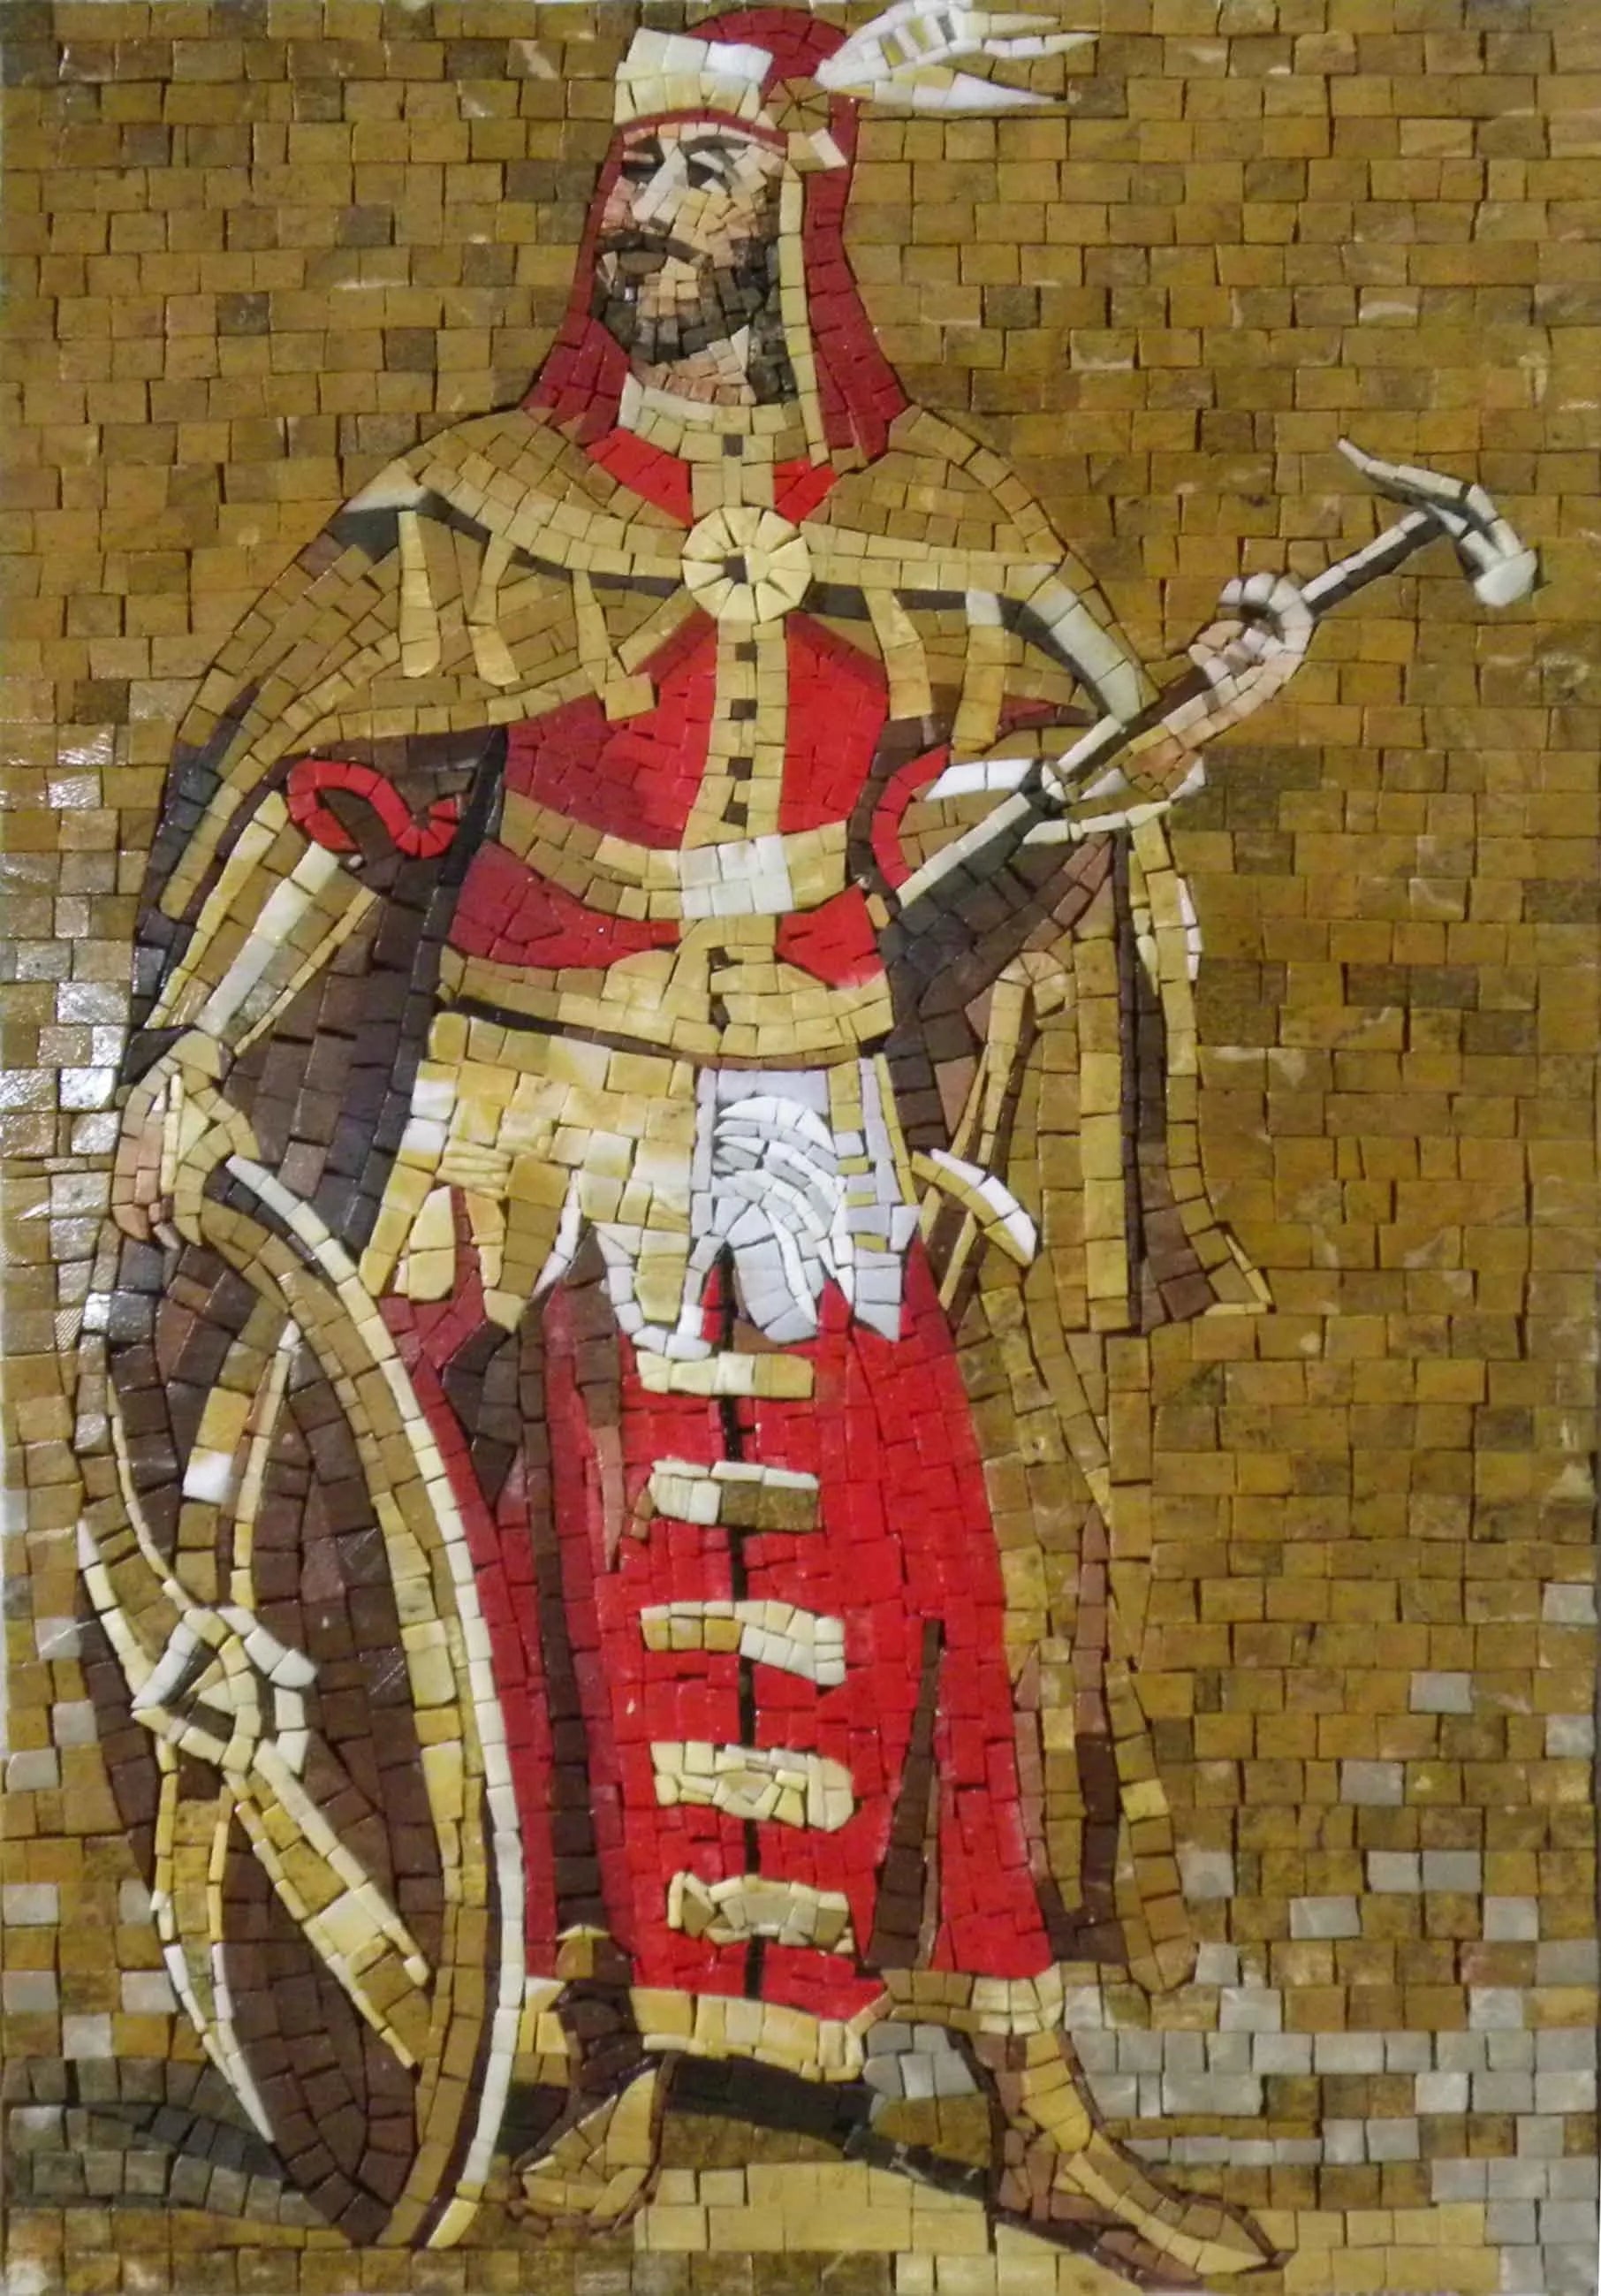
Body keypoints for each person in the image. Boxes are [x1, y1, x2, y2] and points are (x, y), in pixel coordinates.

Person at [78, 9, 1316, 2275]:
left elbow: (983, 836)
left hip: (811, 1122)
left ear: (800, 215)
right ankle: (601, 2069)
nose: (644, 214)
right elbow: (337, 799)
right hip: (531, 1125)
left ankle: (1036, 2116)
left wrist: (1163, 745)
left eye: (699, 176)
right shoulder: (484, 505)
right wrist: (186, 1051)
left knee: (935, 1590)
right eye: (630, 174)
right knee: (545, 1597)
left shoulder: (936, 514)